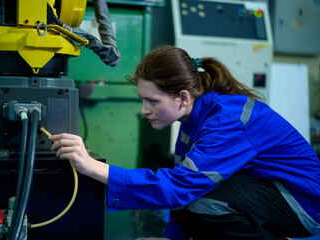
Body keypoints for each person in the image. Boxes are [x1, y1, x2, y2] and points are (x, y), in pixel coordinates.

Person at [49, 45, 320, 240]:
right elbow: (182, 190)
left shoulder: (228, 120)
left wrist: (93, 167)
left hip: (303, 204)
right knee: (199, 193)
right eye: (142, 100)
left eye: (152, 101)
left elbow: (181, 189)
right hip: (263, 194)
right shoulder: (193, 122)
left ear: (183, 97)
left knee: (204, 199)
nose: (145, 110)